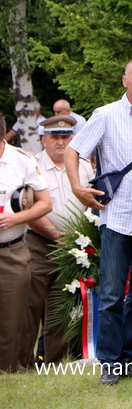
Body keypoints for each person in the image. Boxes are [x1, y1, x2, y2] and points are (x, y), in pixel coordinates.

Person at [66, 59, 132, 385]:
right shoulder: (106, 115)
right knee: (111, 293)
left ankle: (126, 357)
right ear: (125, 80)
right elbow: (73, 150)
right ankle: (109, 361)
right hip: (118, 218)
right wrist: (77, 188)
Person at [20, 116, 92, 369]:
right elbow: (27, 207)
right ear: (44, 139)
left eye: (66, 136)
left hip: (74, 249)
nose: (61, 142)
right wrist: (57, 236)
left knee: (61, 309)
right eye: (55, 137)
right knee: (29, 308)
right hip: (38, 244)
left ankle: (56, 365)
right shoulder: (32, 165)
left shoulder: (83, 167)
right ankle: (22, 365)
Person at [0, 115, 52, 372]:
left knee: (11, 322)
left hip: (11, 251)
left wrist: (15, 219)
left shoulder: (21, 161)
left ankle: (9, 372)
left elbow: (45, 203)